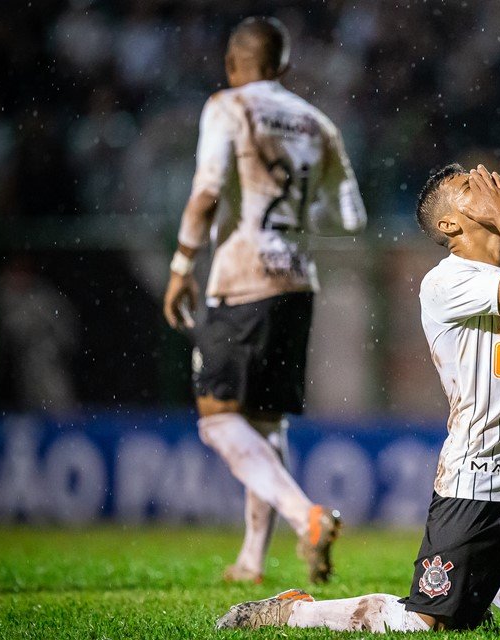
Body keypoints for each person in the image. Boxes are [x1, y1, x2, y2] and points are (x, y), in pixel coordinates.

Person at [214, 163, 500, 632]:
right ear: (450, 224)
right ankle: (297, 610)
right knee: (425, 624)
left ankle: (490, 585)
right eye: (471, 187)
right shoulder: (447, 282)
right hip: (476, 481)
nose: (489, 185)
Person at [162, 16, 366, 585]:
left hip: (241, 277)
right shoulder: (317, 122)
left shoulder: (227, 106)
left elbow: (205, 194)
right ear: (284, 67)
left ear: (233, 64)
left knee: (217, 420)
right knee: (266, 421)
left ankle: (307, 516)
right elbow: (352, 217)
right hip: (298, 282)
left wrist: (181, 267)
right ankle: (252, 559)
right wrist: (298, 220)